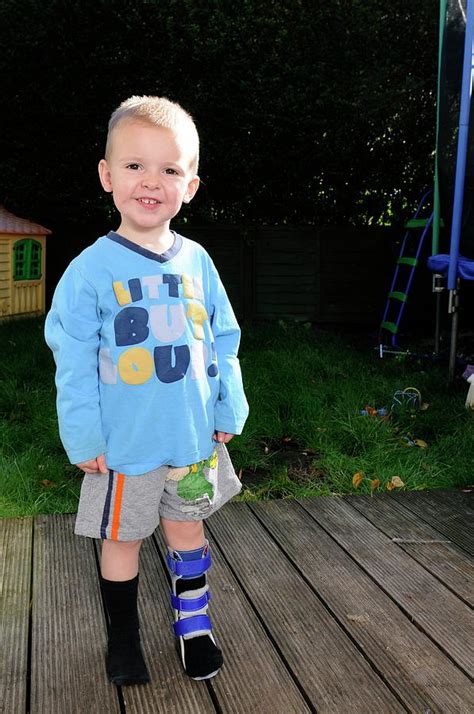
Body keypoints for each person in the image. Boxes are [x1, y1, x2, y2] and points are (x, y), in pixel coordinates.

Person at [44, 96, 249, 686]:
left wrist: (228, 400)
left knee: (188, 529)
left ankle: (194, 625)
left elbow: (224, 335)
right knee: (122, 541)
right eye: (134, 166)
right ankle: (126, 638)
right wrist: (82, 432)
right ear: (108, 176)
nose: (150, 182)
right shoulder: (89, 270)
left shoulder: (199, 261)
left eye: (169, 169)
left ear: (191, 184)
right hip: (124, 449)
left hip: (191, 442)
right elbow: (74, 359)